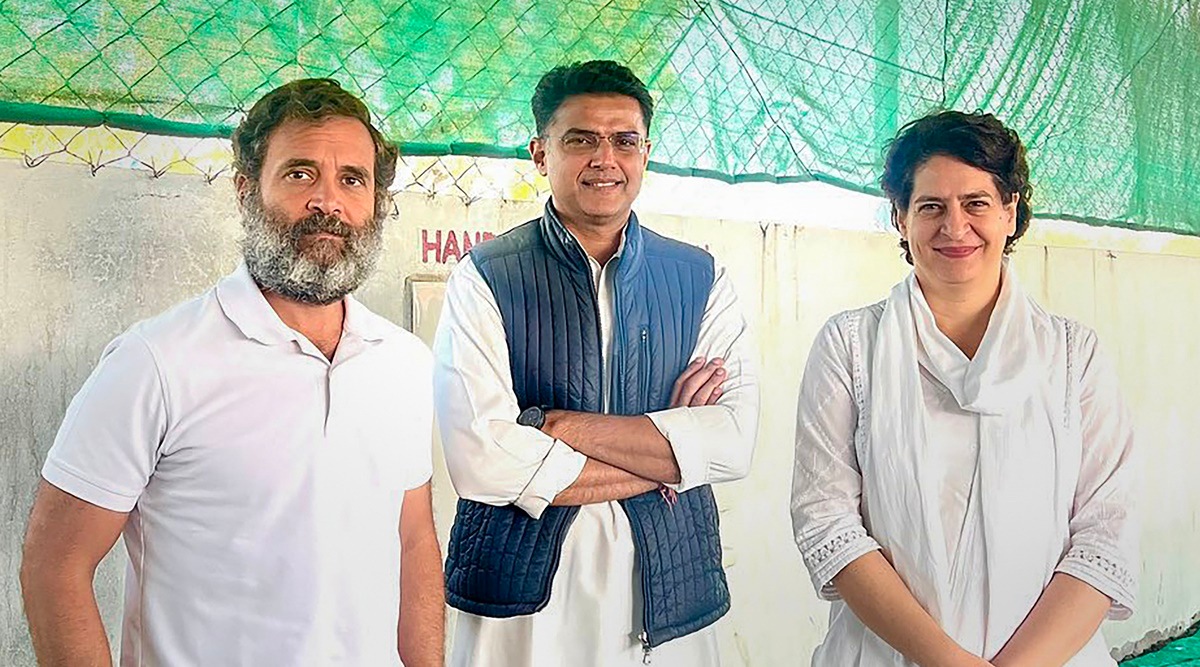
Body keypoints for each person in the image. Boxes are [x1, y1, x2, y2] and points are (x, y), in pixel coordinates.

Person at [20, 78, 444, 666]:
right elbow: (55, 566)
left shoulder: (405, 364)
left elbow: (413, 541)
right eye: (300, 174)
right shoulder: (156, 362)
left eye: (353, 179)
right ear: (247, 192)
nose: (329, 202)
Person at [433, 60, 759, 666]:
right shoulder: (485, 276)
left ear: (645, 153)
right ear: (540, 153)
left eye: (624, 141)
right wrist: (671, 454)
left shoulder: (700, 277)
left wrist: (554, 425)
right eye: (580, 139)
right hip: (520, 596)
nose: (605, 158)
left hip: (670, 589)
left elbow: (733, 444)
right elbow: (483, 463)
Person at [791, 110, 1138, 666]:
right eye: (931, 206)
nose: (955, 227)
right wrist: (948, 661)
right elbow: (827, 523)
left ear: (1010, 210)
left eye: (976, 202)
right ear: (900, 219)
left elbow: (1104, 534)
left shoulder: (1074, 356)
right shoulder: (851, 347)